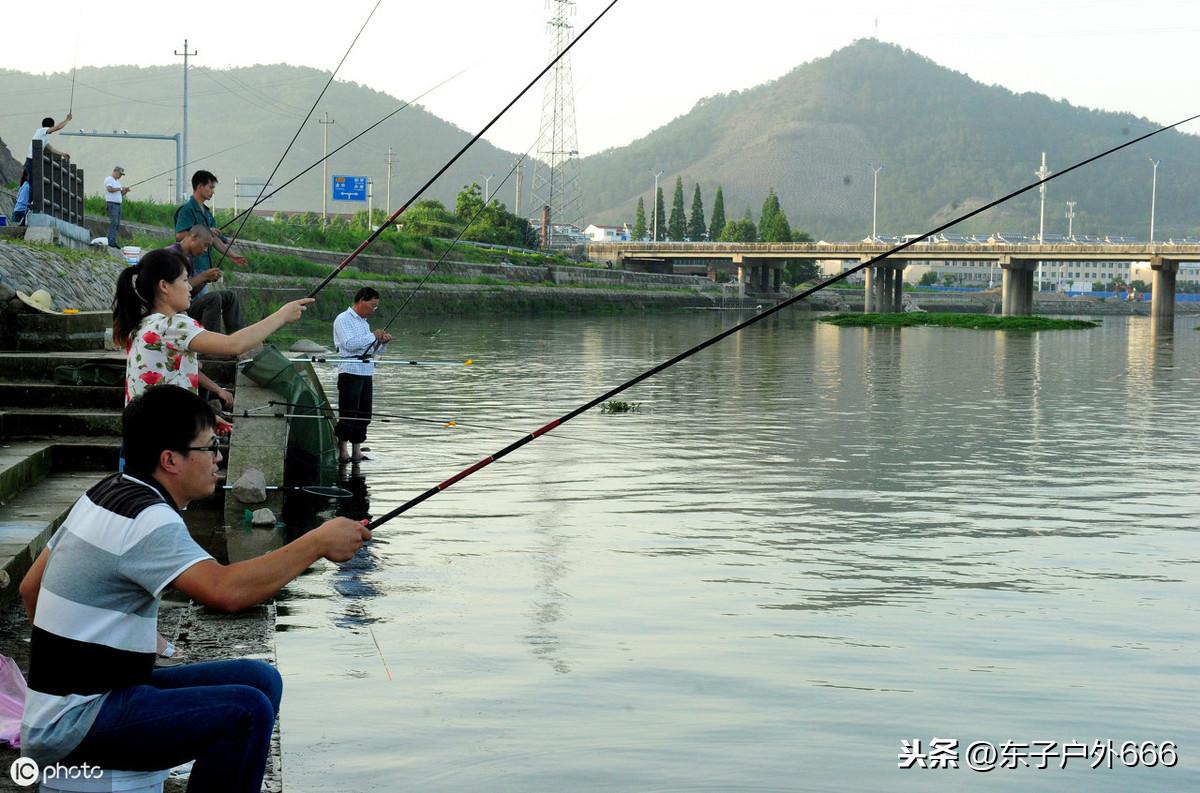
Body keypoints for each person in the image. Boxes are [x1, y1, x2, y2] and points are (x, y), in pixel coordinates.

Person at [18, 385, 370, 791]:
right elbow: (225, 591)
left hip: (74, 705)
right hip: (74, 727)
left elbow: (32, 586)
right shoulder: (149, 518)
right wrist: (318, 542)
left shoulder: (107, 491)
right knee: (247, 711)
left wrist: (107, 639)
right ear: (170, 459)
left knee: (260, 679)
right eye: (209, 447)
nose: (219, 457)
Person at [112, 248, 311, 421]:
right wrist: (282, 315)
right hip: (166, 440)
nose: (190, 287)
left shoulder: (142, 324)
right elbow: (234, 345)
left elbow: (172, 373)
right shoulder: (173, 324)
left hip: (141, 435)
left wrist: (203, 419)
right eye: (184, 280)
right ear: (164, 286)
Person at [332, 287, 392, 463]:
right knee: (348, 411)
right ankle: (343, 450)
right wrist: (373, 336)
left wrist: (381, 343)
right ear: (361, 300)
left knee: (364, 413)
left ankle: (357, 451)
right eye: (372, 305)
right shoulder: (343, 319)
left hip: (366, 370)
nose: (374, 310)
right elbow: (349, 345)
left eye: (376, 307)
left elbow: (369, 349)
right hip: (350, 370)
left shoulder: (364, 323)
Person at [175, 171, 247, 294]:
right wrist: (205, 231)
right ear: (199, 187)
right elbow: (179, 235)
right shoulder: (187, 210)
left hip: (204, 266)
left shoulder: (208, 213)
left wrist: (232, 255)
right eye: (211, 187)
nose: (213, 191)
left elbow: (214, 239)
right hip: (191, 267)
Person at [168, 224, 245, 333]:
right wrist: (204, 276)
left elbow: (191, 291)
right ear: (194, 237)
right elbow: (176, 289)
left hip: (187, 305)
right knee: (213, 298)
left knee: (229, 296)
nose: (205, 250)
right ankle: (210, 346)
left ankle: (237, 338)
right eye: (205, 245)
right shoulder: (172, 255)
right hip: (175, 311)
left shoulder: (188, 258)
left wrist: (206, 279)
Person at [103, 165, 130, 248]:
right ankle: (110, 241)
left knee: (117, 224)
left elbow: (120, 194)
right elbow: (109, 189)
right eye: (120, 174)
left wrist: (125, 191)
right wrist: (120, 189)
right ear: (115, 172)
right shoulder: (109, 179)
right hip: (112, 204)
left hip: (118, 205)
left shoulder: (117, 182)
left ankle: (113, 240)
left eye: (121, 175)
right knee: (113, 222)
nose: (121, 176)